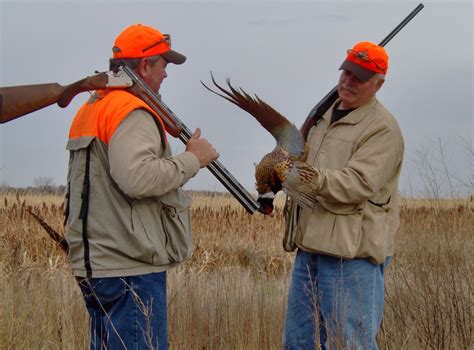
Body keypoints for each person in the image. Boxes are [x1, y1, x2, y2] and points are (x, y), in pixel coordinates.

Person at [64, 24, 219, 349]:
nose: (166, 74)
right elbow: (137, 178)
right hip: (128, 267)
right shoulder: (130, 111)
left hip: (99, 266)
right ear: (145, 66)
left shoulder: (94, 105)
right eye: (163, 64)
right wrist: (193, 159)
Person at [282, 41, 404, 349]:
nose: (348, 81)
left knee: (350, 344)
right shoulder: (322, 117)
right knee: (298, 343)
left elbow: (358, 183)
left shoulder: (383, 129)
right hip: (309, 247)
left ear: (378, 85)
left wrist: (303, 177)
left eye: (359, 77)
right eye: (346, 72)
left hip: (351, 255)